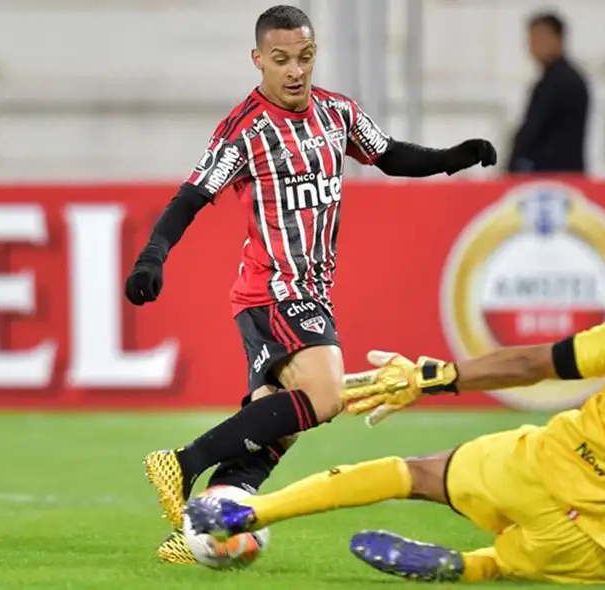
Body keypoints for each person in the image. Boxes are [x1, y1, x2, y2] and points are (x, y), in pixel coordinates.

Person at [125, 5, 497, 564]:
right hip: (273, 289)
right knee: (327, 395)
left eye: (304, 57)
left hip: (309, 291)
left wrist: (451, 157)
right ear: (258, 61)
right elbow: (192, 196)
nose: (295, 70)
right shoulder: (245, 129)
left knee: (275, 420)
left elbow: (389, 154)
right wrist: (154, 255)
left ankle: (207, 523)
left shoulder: (336, 113)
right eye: (281, 60)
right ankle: (180, 461)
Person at [184, 244, 605, 583]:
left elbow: (532, 364)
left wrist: (437, 377)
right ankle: (477, 569)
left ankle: (249, 507)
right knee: (520, 563)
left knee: (410, 472)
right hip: (598, 547)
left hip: (536, 470)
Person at [507, 11, 590, 175]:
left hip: (552, 176)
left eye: (539, 38)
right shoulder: (550, 80)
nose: (533, 45)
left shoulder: (563, 82)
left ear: (557, 38)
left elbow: (534, 132)